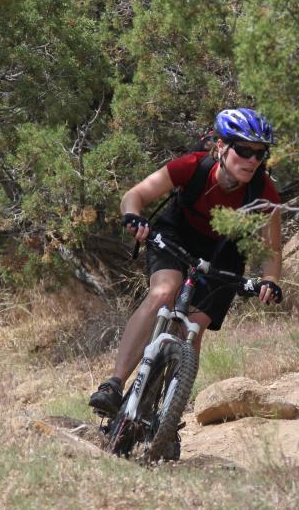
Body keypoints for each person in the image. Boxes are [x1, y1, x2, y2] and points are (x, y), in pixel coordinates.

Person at [88, 107, 284, 415]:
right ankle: (113, 384)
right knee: (164, 292)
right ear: (221, 146)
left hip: (224, 251)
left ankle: (168, 413)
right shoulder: (193, 166)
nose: (252, 160)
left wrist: (270, 281)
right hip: (178, 233)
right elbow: (134, 195)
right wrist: (134, 216)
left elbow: (272, 249)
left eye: (260, 154)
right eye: (244, 150)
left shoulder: (264, 192)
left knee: (194, 326)